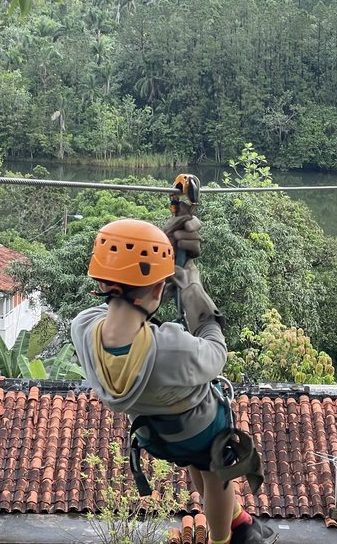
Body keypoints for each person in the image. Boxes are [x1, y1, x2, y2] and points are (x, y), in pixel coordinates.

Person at [71, 213, 276, 544]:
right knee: (214, 467)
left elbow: (128, 307)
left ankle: (238, 517)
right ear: (157, 289)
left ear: (102, 284)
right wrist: (192, 289)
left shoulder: (82, 328)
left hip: (156, 436)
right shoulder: (172, 350)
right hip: (201, 430)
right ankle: (224, 538)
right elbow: (215, 353)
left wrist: (159, 261)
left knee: (195, 456)